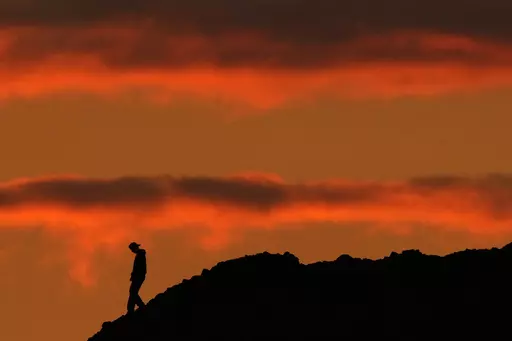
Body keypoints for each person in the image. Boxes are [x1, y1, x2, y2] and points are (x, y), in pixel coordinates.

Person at [127, 242, 147, 314]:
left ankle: (139, 307)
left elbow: (139, 267)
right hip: (138, 276)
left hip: (139, 276)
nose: (132, 251)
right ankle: (131, 309)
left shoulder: (140, 254)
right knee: (133, 292)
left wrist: (135, 275)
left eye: (132, 249)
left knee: (133, 292)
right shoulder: (140, 254)